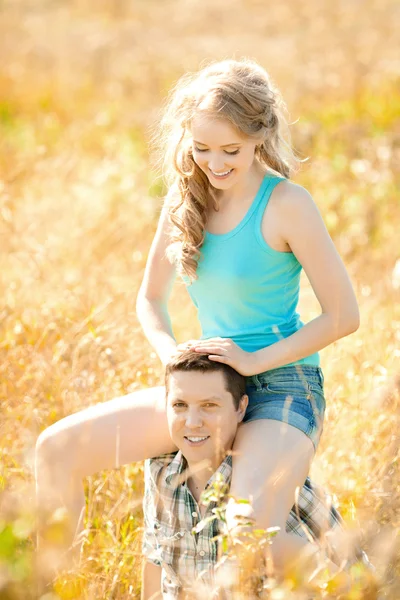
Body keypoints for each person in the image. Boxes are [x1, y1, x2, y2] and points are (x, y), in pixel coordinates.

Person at [35, 58, 360, 576]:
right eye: (201, 148)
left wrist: (254, 362)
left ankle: (351, 581)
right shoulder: (184, 200)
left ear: (261, 136)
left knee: (248, 526)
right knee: (55, 450)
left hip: (284, 383)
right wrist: (171, 358)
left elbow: (343, 317)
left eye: (230, 150)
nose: (215, 163)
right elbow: (149, 300)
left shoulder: (288, 204)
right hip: (207, 382)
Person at [142, 350, 356, 599]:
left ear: (240, 408)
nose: (192, 422)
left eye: (209, 406)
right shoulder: (159, 469)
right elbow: (154, 559)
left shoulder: (269, 485)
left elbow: (345, 580)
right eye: (180, 405)